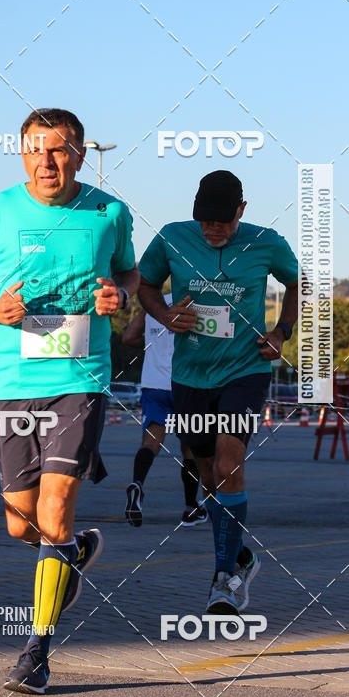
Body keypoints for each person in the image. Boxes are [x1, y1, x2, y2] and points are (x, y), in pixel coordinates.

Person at [0, 108, 138, 694]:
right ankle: (72, 554)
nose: (46, 162)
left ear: (79, 154)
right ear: (22, 154)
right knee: (20, 525)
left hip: (79, 378)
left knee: (55, 511)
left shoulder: (110, 213)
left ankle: (36, 653)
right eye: (35, 150)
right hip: (13, 381)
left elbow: (130, 277)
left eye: (58, 151)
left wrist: (119, 296)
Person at [138, 170, 298, 614]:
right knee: (207, 474)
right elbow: (146, 285)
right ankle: (240, 554)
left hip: (244, 372)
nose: (213, 229)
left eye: (223, 222)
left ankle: (223, 579)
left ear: (241, 212)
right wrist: (165, 313)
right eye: (206, 221)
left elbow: (300, 283)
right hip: (189, 375)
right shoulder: (172, 238)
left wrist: (282, 331)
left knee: (230, 466)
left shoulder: (268, 242)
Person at [122, 293, 209, 527]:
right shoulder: (197, 304)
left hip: (154, 384)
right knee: (189, 448)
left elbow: (129, 337)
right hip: (185, 383)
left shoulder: (152, 304)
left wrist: (152, 346)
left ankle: (137, 485)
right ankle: (191, 507)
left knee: (150, 442)